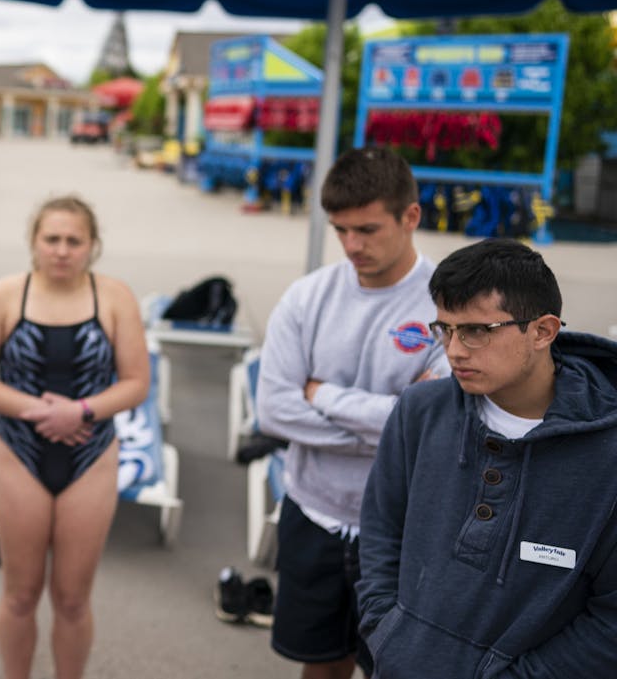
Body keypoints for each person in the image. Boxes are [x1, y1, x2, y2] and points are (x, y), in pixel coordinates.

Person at [358, 239, 617, 678]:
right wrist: (388, 633)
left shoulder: (606, 454)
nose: (454, 351)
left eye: (477, 330)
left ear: (543, 331)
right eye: (446, 329)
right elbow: (381, 530)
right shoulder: (419, 410)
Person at [255, 146, 449, 679]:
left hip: (405, 529)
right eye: (340, 230)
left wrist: (320, 395)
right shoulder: (306, 297)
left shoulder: (447, 307)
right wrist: (388, 426)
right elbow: (273, 412)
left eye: (366, 229)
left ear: (410, 216)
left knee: (396, 667)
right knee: (321, 666)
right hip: (312, 511)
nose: (351, 245)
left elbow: (433, 426)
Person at [0, 195, 149, 679]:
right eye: (52, 239)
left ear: (93, 246)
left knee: (72, 598)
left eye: (74, 240)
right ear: (34, 243)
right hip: (19, 454)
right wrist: (36, 410)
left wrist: (80, 411)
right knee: (20, 595)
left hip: (91, 456)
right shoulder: (3, 298)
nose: (62, 250)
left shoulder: (115, 298)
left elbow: (136, 383)